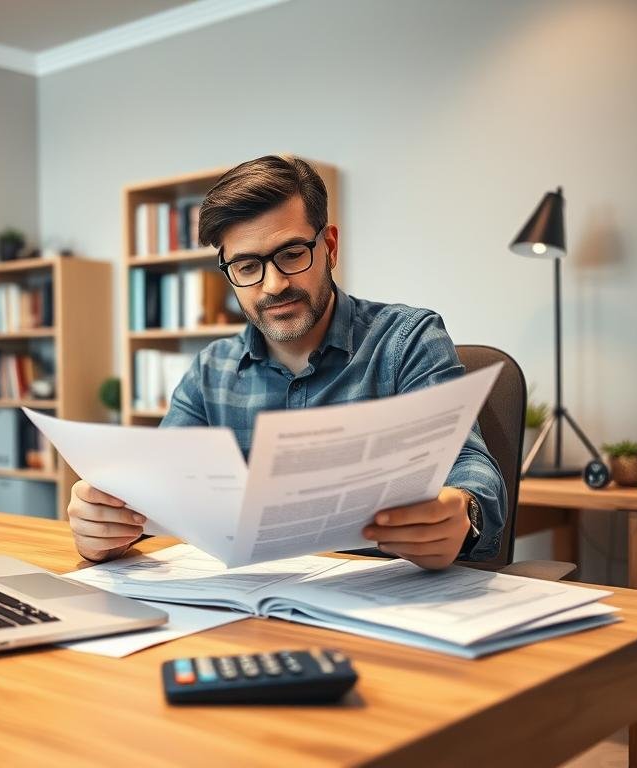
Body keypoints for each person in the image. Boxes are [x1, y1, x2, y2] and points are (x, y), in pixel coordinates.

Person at [68, 155, 505, 570]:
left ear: (329, 246)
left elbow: (468, 462)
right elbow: (157, 492)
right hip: (250, 612)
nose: (274, 284)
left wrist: (463, 510)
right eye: (246, 265)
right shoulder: (210, 372)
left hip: (385, 606)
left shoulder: (406, 341)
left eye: (292, 254)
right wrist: (104, 529)